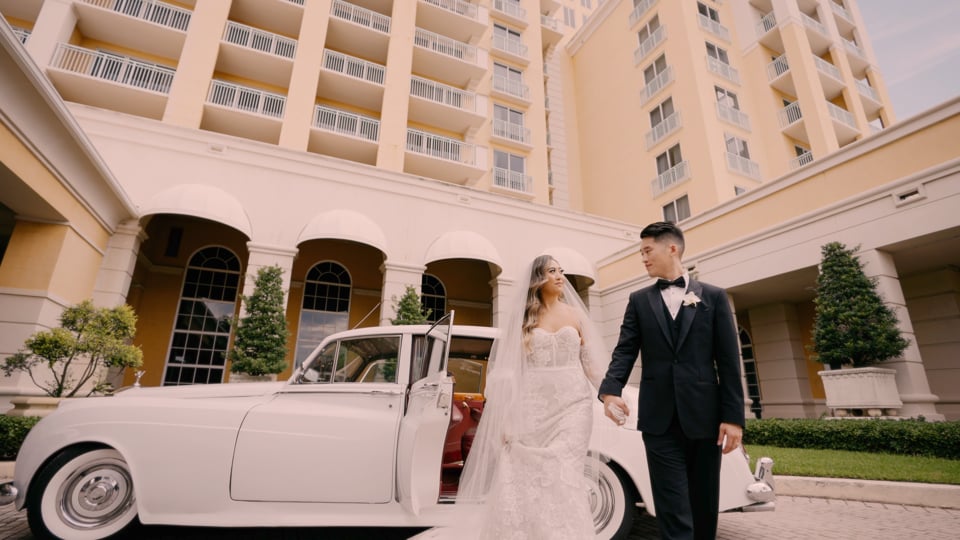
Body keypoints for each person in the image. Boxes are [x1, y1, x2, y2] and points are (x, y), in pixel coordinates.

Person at [430, 254, 609, 540]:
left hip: (574, 406)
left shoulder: (576, 315)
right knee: (525, 474)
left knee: (564, 472)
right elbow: (507, 373)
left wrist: (609, 396)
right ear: (538, 279)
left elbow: (591, 364)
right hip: (532, 408)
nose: (560, 276)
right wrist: (505, 417)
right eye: (552, 271)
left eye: (561, 270)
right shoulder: (523, 319)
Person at [599, 222, 745, 540]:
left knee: (704, 503)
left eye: (647, 251)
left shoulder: (714, 297)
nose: (643, 258)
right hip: (658, 420)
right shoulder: (639, 300)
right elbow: (625, 350)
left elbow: (729, 362)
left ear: (672, 248)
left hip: (705, 419)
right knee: (671, 506)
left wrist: (733, 418)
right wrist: (610, 391)